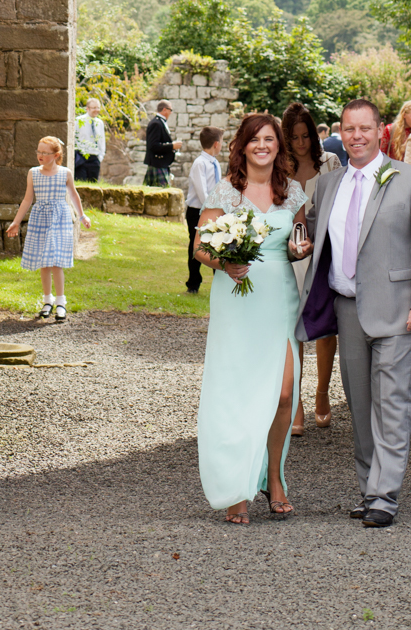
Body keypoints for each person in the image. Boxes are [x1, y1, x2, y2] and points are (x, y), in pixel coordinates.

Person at [293, 98, 411, 529]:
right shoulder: (328, 184)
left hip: (400, 312)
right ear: (341, 133)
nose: (356, 136)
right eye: (349, 129)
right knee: (359, 405)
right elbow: (312, 232)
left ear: (380, 131)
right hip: (347, 309)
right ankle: (368, 489)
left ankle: (385, 495)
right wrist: (298, 245)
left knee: (392, 401)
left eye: (365, 128)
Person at [196, 112, 307, 525]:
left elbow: (296, 239)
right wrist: (226, 264)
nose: (263, 145)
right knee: (237, 392)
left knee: (283, 394)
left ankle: (273, 476)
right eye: (255, 139)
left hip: (279, 296)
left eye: (270, 139)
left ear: (279, 146)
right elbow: (200, 248)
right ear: (242, 146)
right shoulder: (226, 191)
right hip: (237, 298)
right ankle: (235, 487)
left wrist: (301, 248)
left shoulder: (292, 192)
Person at [280, 102, 342, 436]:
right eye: (295, 137)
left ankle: (321, 391)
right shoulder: (279, 168)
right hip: (288, 255)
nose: (302, 143)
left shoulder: (330, 163)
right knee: (293, 329)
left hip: (324, 254)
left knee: (323, 326)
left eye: (306, 136)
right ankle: (297, 402)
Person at [5, 136, 92, 321]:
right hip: (40, 219)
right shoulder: (33, 173)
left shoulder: (65, 173)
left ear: (56, 155)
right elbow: (28, 199)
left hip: (60, 219)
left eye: (45, 152)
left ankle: (61, 302)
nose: (40, 155)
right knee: (44, 261)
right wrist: (16, 221)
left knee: (56, 261)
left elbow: (74, 196)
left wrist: (82, 216)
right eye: (39, 151)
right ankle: (47, 300)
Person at [185, 126, 222, 294]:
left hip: (214, 210)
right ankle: (193, 282)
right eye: (221, 142)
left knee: (217, 244)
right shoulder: (199, 163)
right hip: (197, 210)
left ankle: (220, 279)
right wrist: (209, 209)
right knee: (196, 245)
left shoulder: (215, 163)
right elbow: (202, 191)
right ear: (216, 144)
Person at [144, 100, 181, 187]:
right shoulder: (156, 123)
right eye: (170, 110)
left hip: (160, 163)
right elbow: (153, 146)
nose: (171, 113)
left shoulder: (159, 122)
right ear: (164, 109)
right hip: (157, 164)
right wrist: (172, 146)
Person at [74, 97, 106, 183]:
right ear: (87, 109)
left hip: (94, 157)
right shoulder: (78, 121)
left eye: (98, 107)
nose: (96, 110)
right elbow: (74, 138)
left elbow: (102, 140)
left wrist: (100, 156)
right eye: (94, 108)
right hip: (81, 157)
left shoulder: (99, 123)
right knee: (81, 183)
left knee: (93, 184)